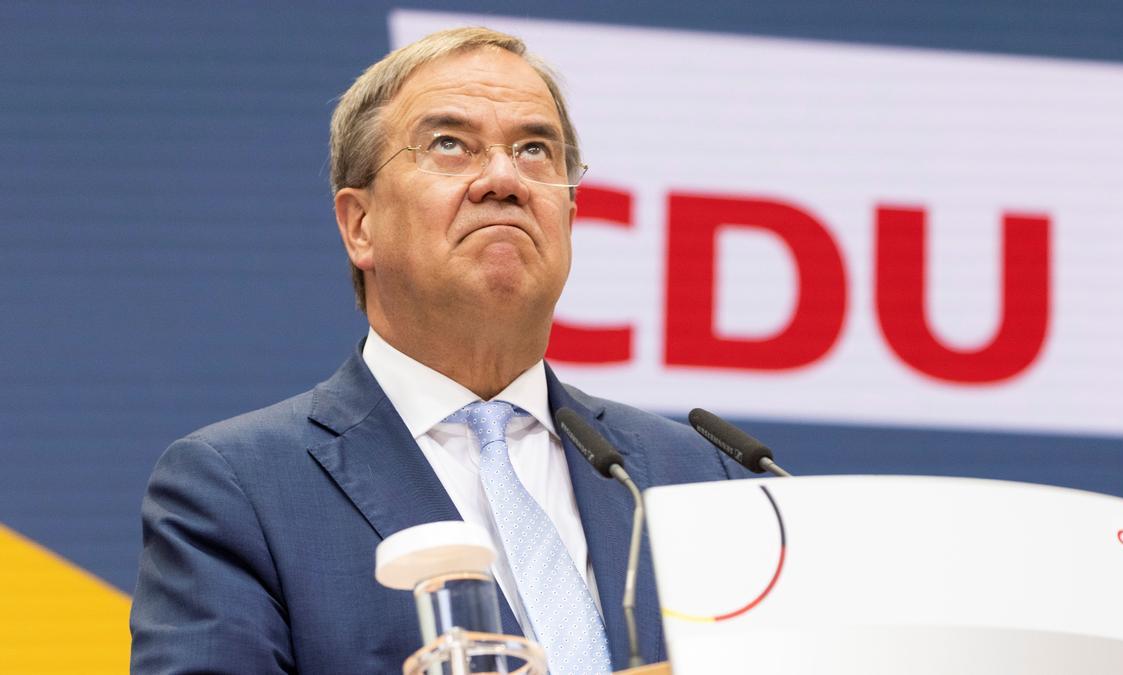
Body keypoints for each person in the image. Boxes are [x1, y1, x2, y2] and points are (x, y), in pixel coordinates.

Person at [130, 26, 743, 674]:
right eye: (450, 145)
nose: (505, 179)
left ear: (569, 213)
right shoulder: (238, 489)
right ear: (359, 225)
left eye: (536, 149)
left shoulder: (695, 476)